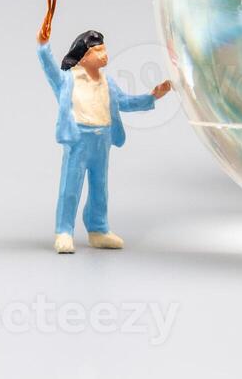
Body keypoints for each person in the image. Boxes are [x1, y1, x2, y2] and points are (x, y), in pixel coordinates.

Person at [35, 21, 172, 253]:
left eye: (104, 49)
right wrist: (43, 44)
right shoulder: (68, 80)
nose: (104, 54)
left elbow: (125, 102)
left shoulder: (107, 82)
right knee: (70, 187)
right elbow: (49, 69)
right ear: (84, 56)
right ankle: (64, 231)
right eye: (98, 51)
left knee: (100, 187)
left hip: (103, 139)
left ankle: (98, 229)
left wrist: (152, 96)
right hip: (79, 139)